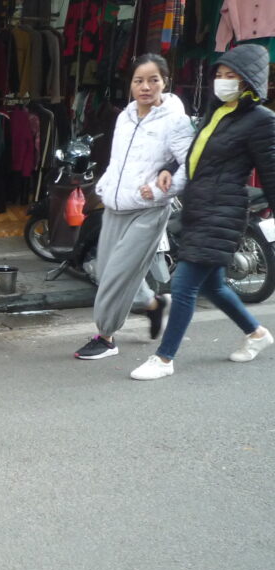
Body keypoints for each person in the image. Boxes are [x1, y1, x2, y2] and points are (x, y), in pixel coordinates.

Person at [130, 45, 275, 380]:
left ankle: (164, 359)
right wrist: (169, 166)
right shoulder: (219, 111)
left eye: (231, 77)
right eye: (219, 76)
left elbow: (271, 171)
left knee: (183, 285)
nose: (222, 82)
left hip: (222, 212)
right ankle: (256, 334)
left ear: (249, 82)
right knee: (213, 286)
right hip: (199, 207)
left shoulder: (261, 120)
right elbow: (197, 153)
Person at [74, 54, 194, 360]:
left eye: (154, 80)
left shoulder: (175, 120)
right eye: (139, 80)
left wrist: (157, 190)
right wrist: (104, 186)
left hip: (148, 209)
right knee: (104, 270)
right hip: (116, 205)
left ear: (164, 82)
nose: (146, 87)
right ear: (130, 84)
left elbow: (190, 163)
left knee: (118, 274)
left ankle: (105, 336)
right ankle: (155, 305)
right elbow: (118, 160)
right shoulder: (125, 116)